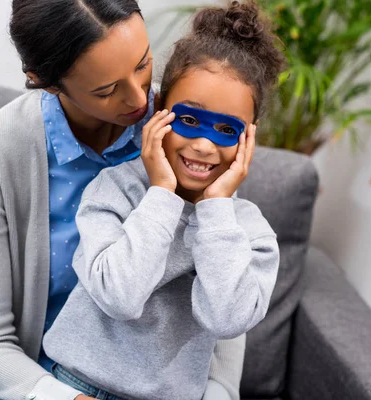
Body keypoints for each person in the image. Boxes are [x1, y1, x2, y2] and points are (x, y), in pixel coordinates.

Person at [0, 1, 247, 399]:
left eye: (143, 64)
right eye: (106, 89)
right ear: (45, 81)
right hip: (23, 387)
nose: (139, 99)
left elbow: (225, 285)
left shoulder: (188, 130)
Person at [42, 1, 285, 399]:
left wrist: (216, 210)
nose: (204, 144)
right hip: (75, 387)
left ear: (249, 139)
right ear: (158, 110)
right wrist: (161, 194)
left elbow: (226, 319)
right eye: (189, 120)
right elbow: (119, 297)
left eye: (226, 129)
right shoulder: (114, 191)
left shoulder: (248, 232)